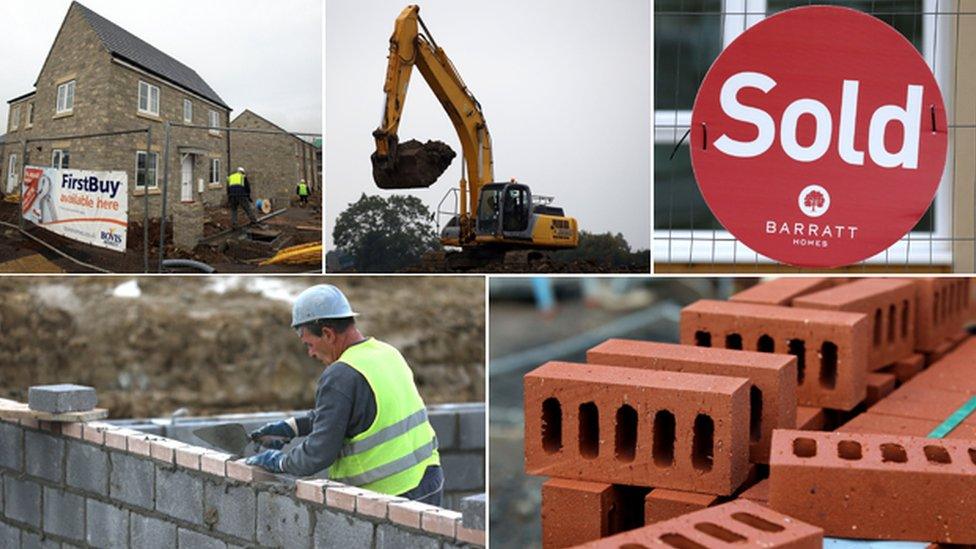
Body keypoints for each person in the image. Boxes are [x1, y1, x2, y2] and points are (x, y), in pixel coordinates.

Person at [246, 284, 444, 505]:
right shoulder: (387, 352)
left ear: (328, 334)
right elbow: (355, 413)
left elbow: (316, 455)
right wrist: (293, 427)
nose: (310, 353)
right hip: (429, 481)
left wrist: (279, 462)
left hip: (390, 497)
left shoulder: (341, 375)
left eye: (309, 344)